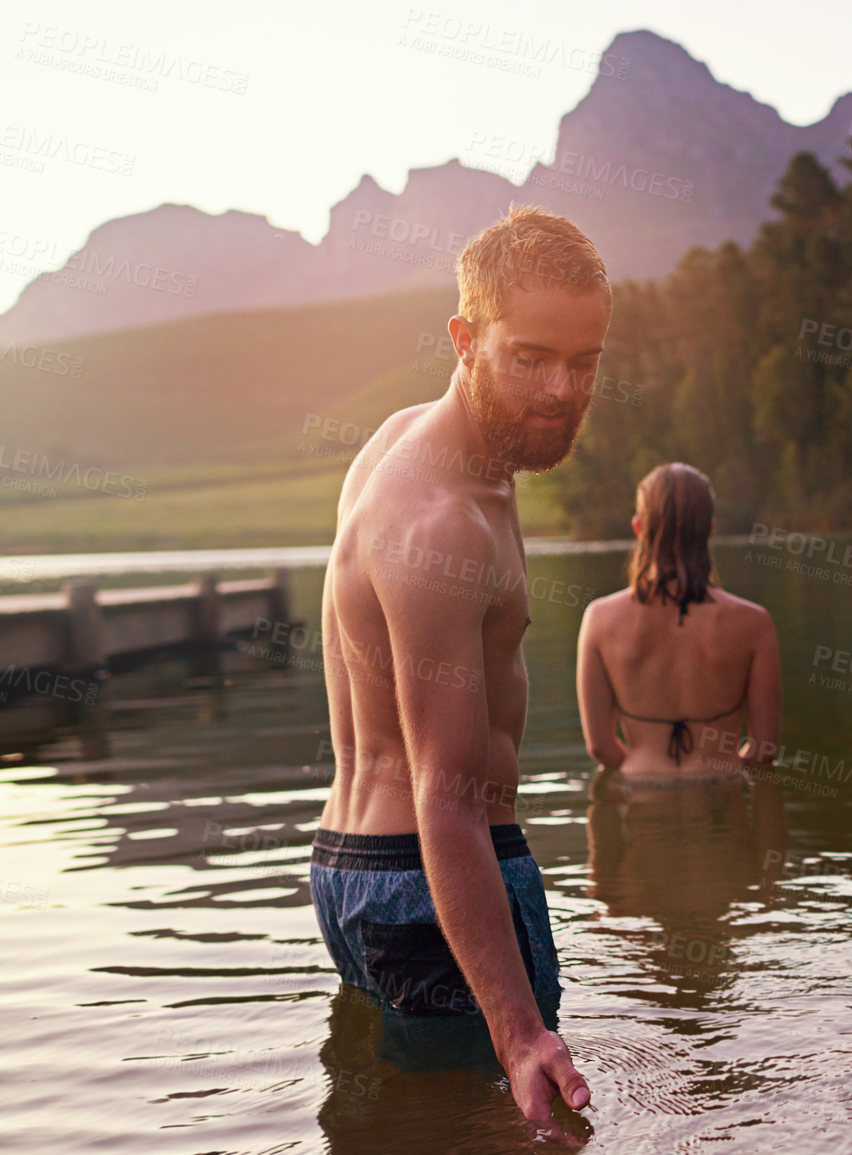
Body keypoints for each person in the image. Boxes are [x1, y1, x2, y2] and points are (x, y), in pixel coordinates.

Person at [310, 204, 607, 1129]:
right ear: (464, 337)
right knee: (530, 1118)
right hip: (433, 874)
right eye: (529, 357)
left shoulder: (423, 436)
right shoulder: (438, 522)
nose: (561, 388)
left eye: (585, 361)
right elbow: (445, 793)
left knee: (410, 1127)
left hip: (361, 871)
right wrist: (520, 1030)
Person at [576, 463, 782, 790]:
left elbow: (600, 747)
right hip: (722, 790)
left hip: (641, 788)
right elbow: (764, 748)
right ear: (710, 528)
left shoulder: (599, 619)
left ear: (638, 527)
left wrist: (640, 768)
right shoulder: (754, 622)